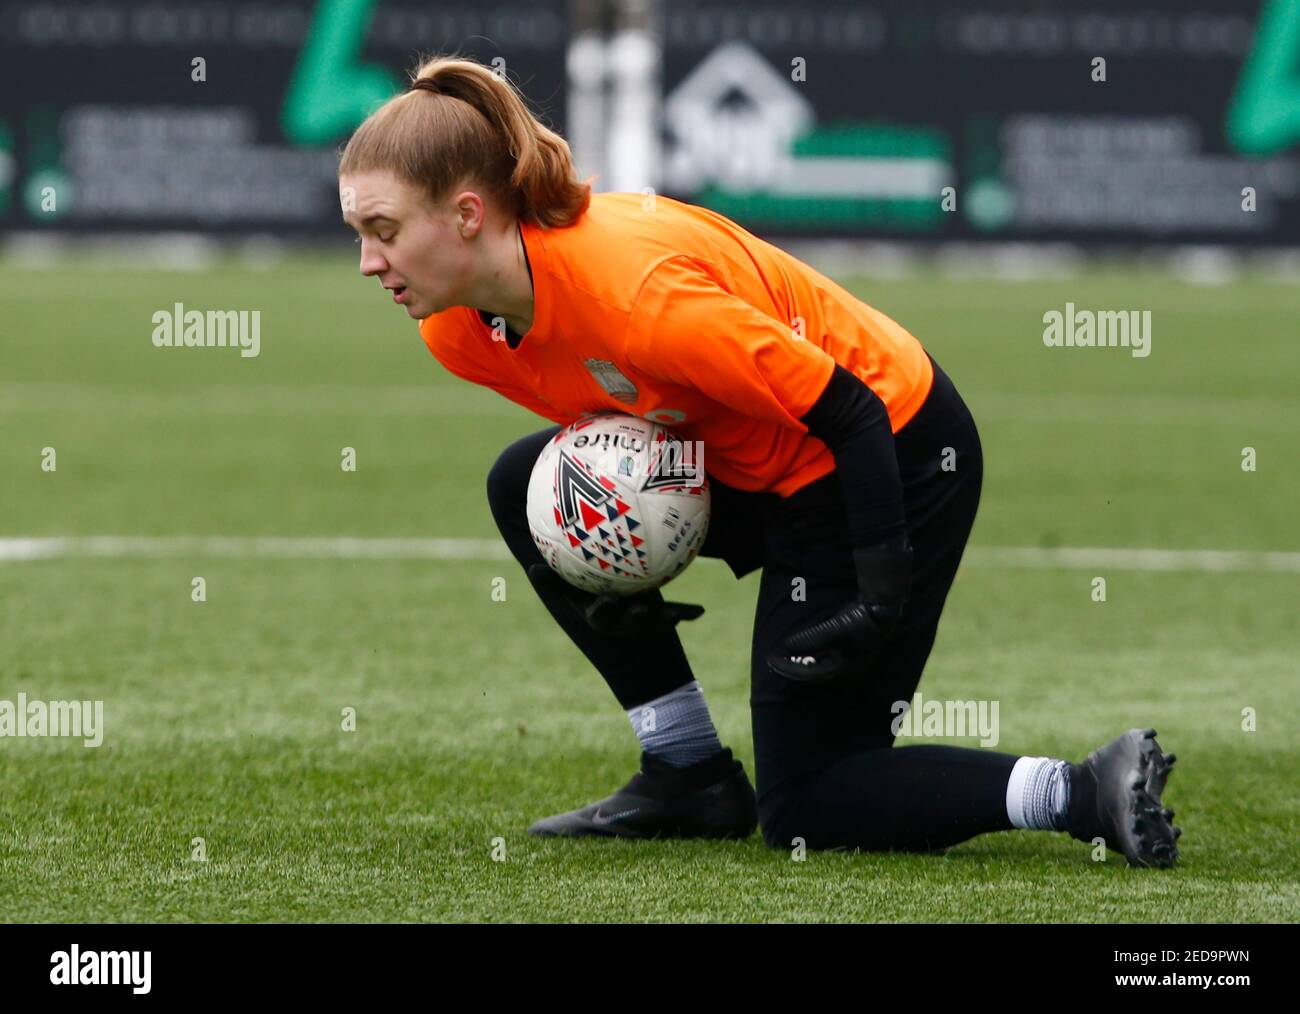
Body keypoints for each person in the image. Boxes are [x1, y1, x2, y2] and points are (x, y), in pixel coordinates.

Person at [337, 55, 1181, 867]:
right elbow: (630, 424)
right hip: (754, 457)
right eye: (359, 235)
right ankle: (687, 774)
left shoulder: (641, 299)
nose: (369, 263)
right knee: (527, 485)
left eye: (384, 231)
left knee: (810, 802)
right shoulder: (456, 331)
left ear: (469, 215)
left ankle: (1079, 791)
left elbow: (851, 410)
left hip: (891, 453)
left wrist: (881, 592)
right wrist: (611, 546)